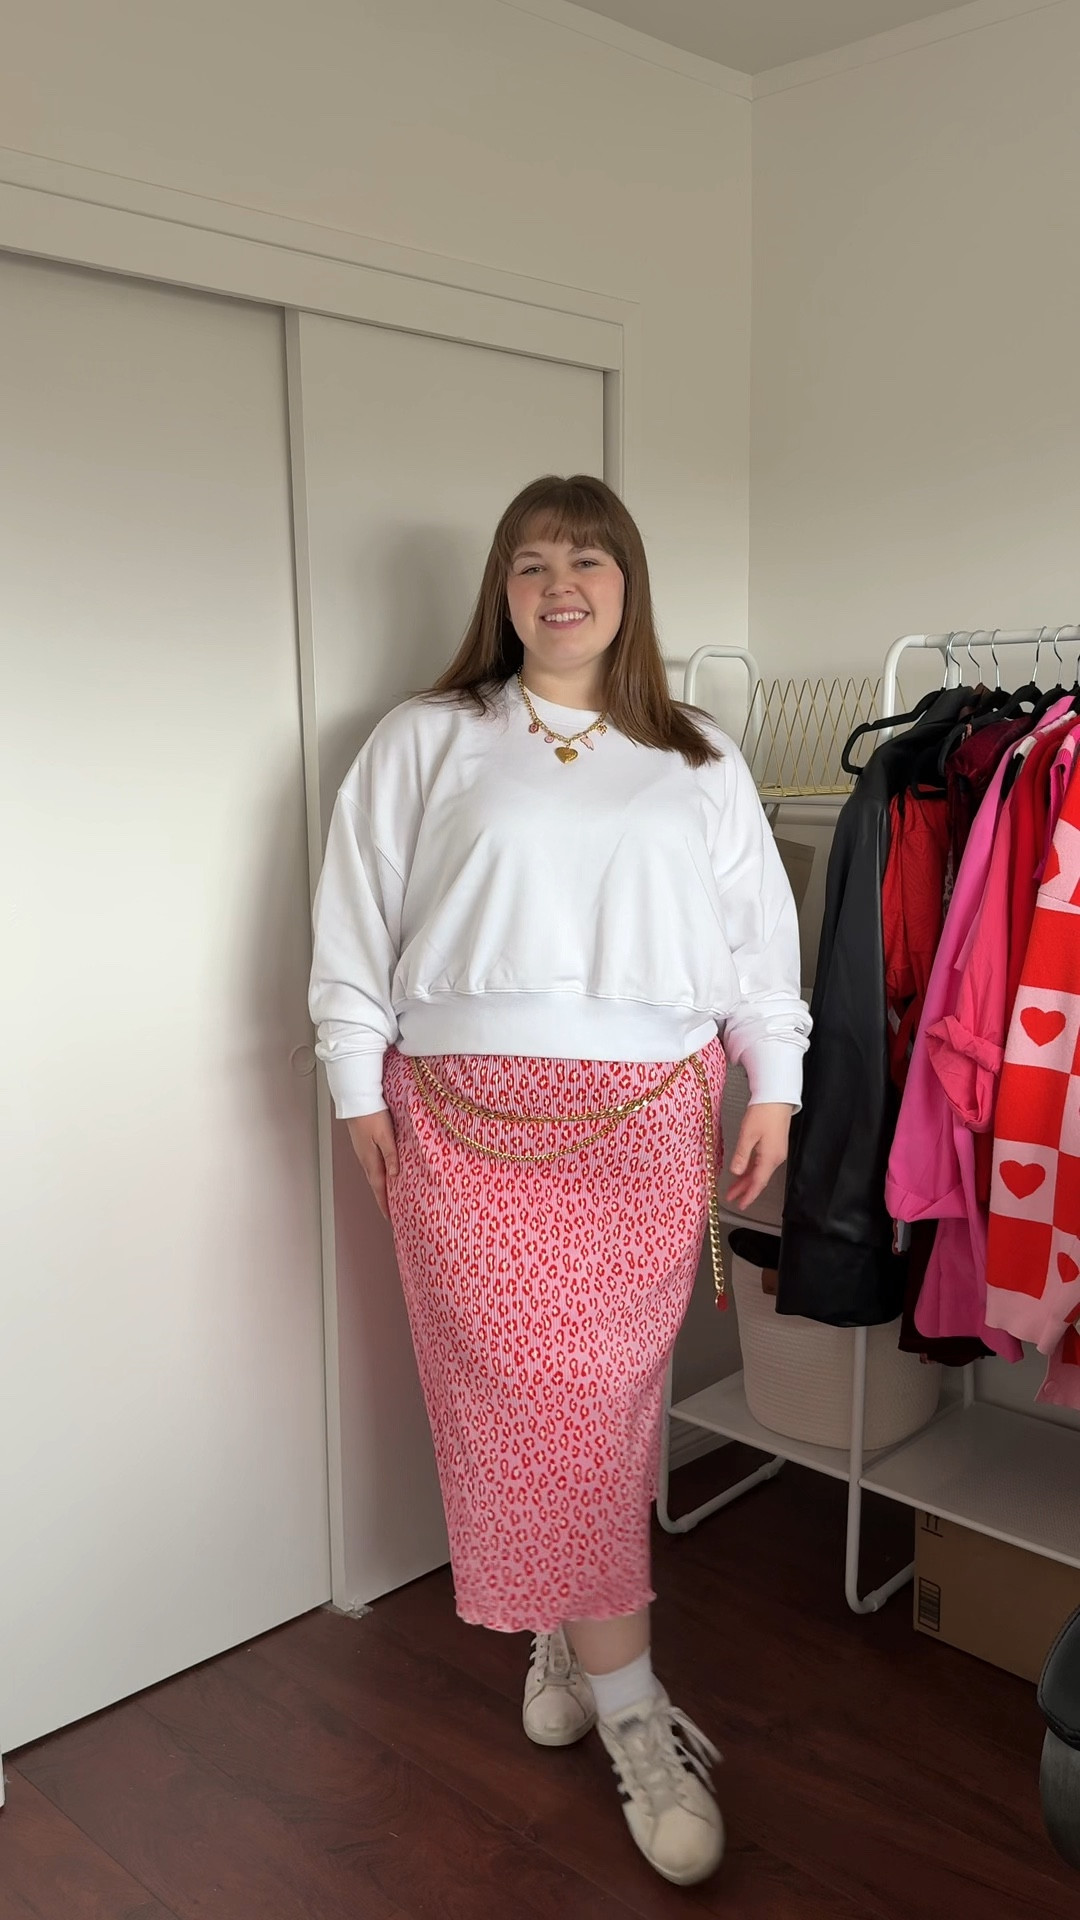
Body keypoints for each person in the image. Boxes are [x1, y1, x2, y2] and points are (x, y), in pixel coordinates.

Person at [308, 474, 809, 1888]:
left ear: (628, 583)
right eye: (531, 563)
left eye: (586, 558)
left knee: (602, 1406)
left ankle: (563, 1629)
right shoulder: (428, 738)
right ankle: (636, 1709)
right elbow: (351, 923)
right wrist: (356, 1083)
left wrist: (774, 1076)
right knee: (535, 1402)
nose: (559, 583)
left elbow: (759, 947)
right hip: (462, 1120)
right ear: (503, 591)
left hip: (651, 1117)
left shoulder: (698, 754)